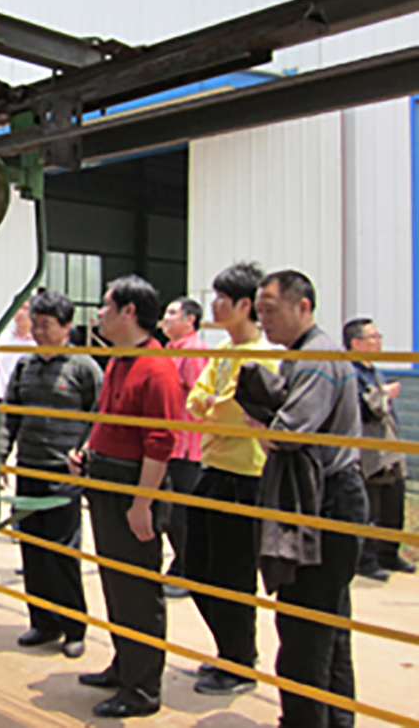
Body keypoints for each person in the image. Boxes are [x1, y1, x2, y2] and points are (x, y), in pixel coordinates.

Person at [253, 270, 367, 728]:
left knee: (304, 631)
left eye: (270, 309)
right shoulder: (302, 356)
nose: (263, 320)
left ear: (303, 306)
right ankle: (336, 719)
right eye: (259, 311)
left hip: (325, 499)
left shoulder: (316, 358)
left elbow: (288, 432)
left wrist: (257, 422)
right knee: (330, 627)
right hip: (329, 494)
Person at [71, 275, 184, 719]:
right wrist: (88, 452)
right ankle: (125, 665)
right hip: (108, 481)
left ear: (129, 312)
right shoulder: (120, 361)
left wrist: (142, 503)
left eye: (106, 305)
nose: (99, 314)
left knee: (137, 588)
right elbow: (107, 418)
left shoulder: (155, 367)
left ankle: (142, 689)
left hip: (134, 487)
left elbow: (161, 442)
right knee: (116, 582)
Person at [185, 262, 278, 695]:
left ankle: (239, 662)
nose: (214, 305)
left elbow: (232, 414)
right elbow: (197, 400)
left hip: (246, 476)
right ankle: (229, 650)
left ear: (245, 305)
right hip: (214, 468)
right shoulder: (224, 351)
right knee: (197, 567)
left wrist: (213, 409)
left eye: (223, 298)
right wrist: (212, 408)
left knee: (232, 574)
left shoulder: (261, 356)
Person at [0, 291, 102, 658]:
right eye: (36, 325)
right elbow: (9, 417)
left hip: (63, 474)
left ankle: (74, 627)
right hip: (29, 468)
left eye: (47, 325)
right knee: (33, 550)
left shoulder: (83, 368)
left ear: (66, 327)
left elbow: (99, 416)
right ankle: (43, 622)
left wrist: (84, 450)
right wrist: (0, 458)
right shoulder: (25, 367)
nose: (39, 332)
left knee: (62, 551)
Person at [344, 317, 415, 580]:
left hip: (389, 449)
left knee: (393, 503)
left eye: (378, 336)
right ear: (356, 343)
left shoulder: (373, 370)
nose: (378, 342)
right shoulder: (350, 373)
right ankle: (366, 560)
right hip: (369, 452)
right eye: (372, 337)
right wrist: (382, 394)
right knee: (370, 507)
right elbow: (361, 408)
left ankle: (389, 554)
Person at [160, 297, 209, 596]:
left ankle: (190, 572)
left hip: (186, 447)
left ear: (190, 320)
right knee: (169, 513)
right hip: (169, 445)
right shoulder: (170, 350)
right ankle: (181, 565)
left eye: (172, 313)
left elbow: (199, 400)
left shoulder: (193, 353)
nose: (166, 318)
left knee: (181, 515)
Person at [0, 296, 36, 524]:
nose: (20, 312)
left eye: (25, 308)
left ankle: (18, 520)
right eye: (17, 307)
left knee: (24, 466)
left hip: (28, 407)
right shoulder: (2, 339)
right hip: (1, 404)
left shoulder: (37, 345)